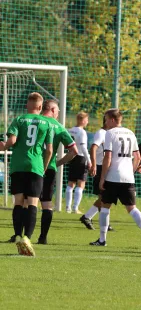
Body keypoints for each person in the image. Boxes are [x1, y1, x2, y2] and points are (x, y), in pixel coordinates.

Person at [90, 108, 141, 249]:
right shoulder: (130, 133)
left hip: (113, 176)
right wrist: (131, 171)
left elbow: (108, 157)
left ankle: (102, 239)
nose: (105, 122)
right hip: (128, 177)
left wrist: (102, 178)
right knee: (132, 208)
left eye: (106, 119)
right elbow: (137, 157)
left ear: (112, 120)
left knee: (105, 206)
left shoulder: (110, 133)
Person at [0, 92, 53, 256]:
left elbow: (12, 142)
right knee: (32, 203)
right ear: (40, 107)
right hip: (35, 166)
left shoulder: (19, 120)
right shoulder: (47, 123)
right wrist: (43, 167)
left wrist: (3, 146)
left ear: (27, 106)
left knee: (18, 202)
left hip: (17, 165)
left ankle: (17, 236)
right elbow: (49, 150)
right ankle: (27, 238)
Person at [38, 99, 78, 244]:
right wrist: (58, 162)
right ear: (54, 110)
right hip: (49, 168)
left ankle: (20, 235)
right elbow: (74, 151)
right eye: (58, 111)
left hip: (31, 166)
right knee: (47, 203)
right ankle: (43, 237)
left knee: (24, 201)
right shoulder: (59, 127)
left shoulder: (34, 120)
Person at [80, 116, 113, 231]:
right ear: (107, 120)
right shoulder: (101, 133)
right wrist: (93, 164)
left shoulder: (109, 133)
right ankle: (102, 222)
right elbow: (93, 147)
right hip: (100, 167)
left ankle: (87, 217)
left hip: (106, 167)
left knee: (105, 197)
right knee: (105, 197)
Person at [66, 112, 92, 214]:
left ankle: (67, 207)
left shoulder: (70, 130)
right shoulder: (82, 132)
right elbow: (84, 148)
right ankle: (75, 208)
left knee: (70, 183)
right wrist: (89, 161)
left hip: (72, 157)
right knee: (81, 183)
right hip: (81, 158)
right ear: (82, 120)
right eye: (86, 120)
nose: (87, 122)